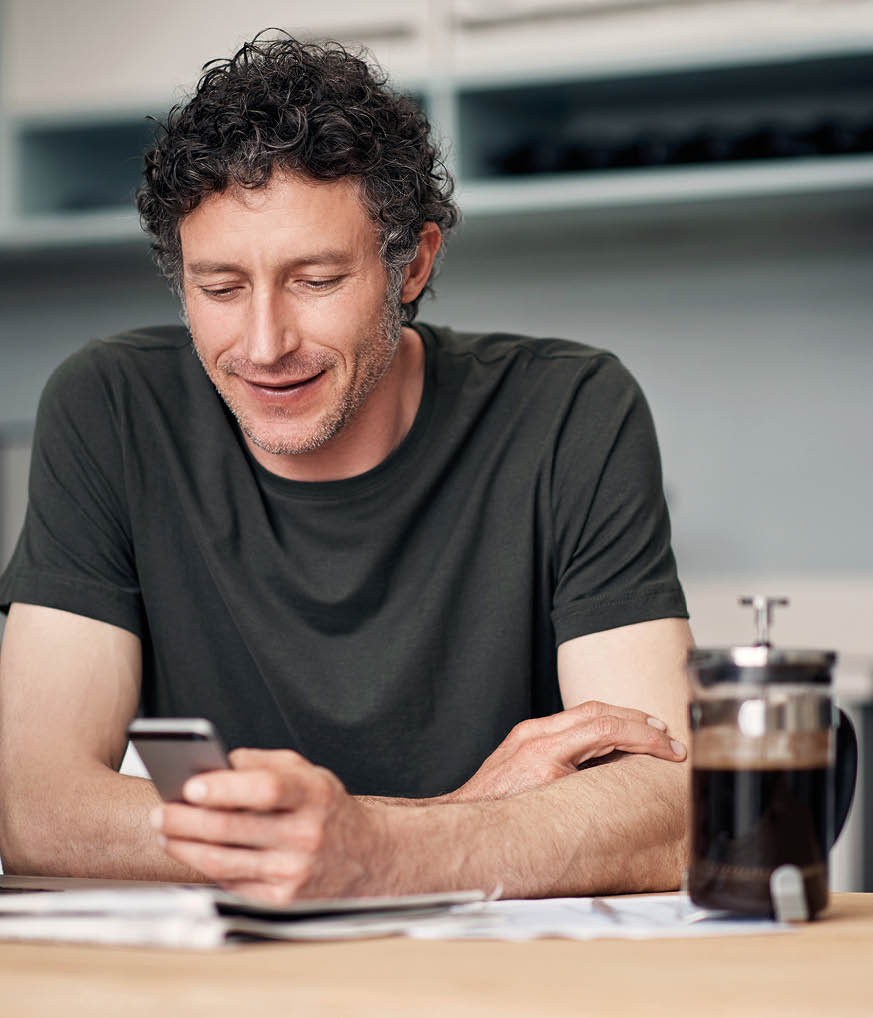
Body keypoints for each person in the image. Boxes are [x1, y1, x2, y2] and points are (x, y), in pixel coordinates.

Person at [0, 35, 693, 903]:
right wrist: (433, 831)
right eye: (219, 289)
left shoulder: (567, 409)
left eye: (316, 279)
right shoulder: (110, 408)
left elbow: (670, 806)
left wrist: (382, 848)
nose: (263, 345)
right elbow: (37, 809)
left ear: (415, 264)